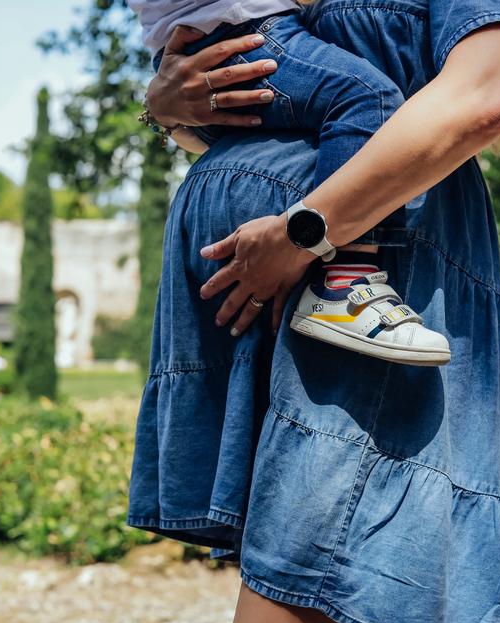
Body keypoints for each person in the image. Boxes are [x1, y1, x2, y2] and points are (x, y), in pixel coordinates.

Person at [126, 1, 500, 623]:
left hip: (358, 267)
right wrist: (168, 107)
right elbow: (266, 101)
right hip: (268, 265)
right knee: (322, 570)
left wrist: (305, 233)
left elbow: (482, 97)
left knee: (312, 561)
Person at [130, 0, 452, 366]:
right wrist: (158, 109)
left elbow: (193, 138)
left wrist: (160, 109)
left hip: (205, 49)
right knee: (368, 98)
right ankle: (343, 286)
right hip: (238, 35)